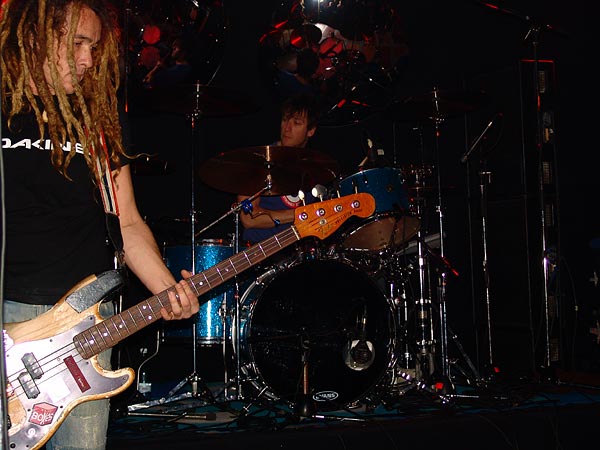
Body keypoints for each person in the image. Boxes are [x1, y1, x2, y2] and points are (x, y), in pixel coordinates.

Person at [0, 1, 200, 450]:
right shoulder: (4, 108)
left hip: (86, 325)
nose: (88, 60)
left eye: (93, 47)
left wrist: (168, 289)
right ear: (35, 36)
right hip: (8, 316)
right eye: (77, 44)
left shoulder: (98, 121)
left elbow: (127, 221)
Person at [236, 93, 320, 245]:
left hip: (295, 250)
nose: (287, 128)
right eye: (285, 120)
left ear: (311, 130)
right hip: (260, 249)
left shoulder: (316, 167)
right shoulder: (260, 160)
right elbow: (248, 218)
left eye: (296, 123)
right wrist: (299, 214)